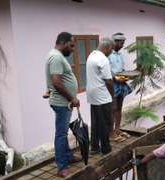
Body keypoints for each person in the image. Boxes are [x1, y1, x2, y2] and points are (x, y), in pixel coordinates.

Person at [45, 32, 80, 177]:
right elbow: (57, 82)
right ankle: (61, 167)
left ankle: (68, 156)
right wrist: (72, 98)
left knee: (63, 131)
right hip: (62, 103)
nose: (72, 49)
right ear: (64, 42)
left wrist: (48, 90)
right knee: (61, 134)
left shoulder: (56, 56)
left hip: (62, 102)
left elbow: (54, 79)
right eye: (71, 45)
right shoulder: (56, 57)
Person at [86, 37, 115, 155]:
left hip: (92, 95)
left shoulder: (91, 55)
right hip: (102, 95)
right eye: (111, 49)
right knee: (105, 122)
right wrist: (112, 95)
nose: (111, 52)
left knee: (96, 122)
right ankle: (105, 148)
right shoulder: (103, 59)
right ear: (107, 47)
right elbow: (108, 81)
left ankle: (94, 147)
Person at [109, 33, 132, 142]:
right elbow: (107, 72)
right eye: (121, 43)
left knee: (119, 108)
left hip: (121, 83)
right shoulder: (109, 54)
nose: (122, 45)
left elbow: (122, 69)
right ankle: (111, 133)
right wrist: (115, 77)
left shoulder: (120, 55)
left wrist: (126, 76)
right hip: (112, 84)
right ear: (115, 42)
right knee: (112, 109)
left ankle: (117, 129)